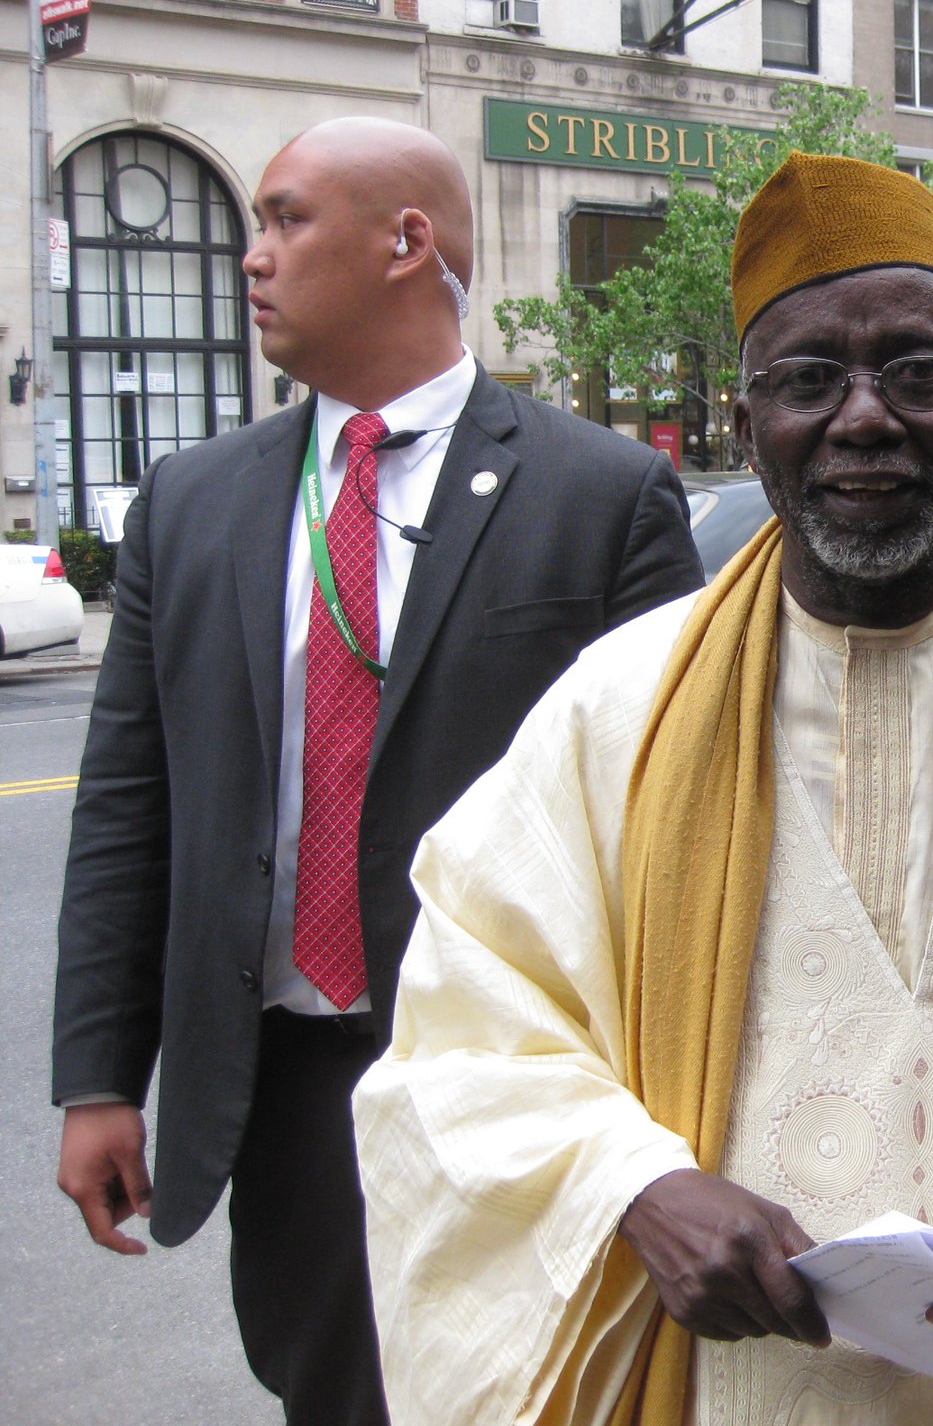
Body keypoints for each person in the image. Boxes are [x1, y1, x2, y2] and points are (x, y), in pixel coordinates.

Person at [352, 151, 933, 1426]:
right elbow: (462, 1031)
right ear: (747, 426)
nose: (864, 418)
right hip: (709, 1378)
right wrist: (631, 1185)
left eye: (916, 372)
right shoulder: (614, 706)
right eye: (807, 380)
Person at [49, 117, 702, 1426]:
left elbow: (674, 827)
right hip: (285, 1085)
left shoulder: (602, 497)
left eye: (287, 219)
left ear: (406, 242)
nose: (253, 254)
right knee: (332, 1393)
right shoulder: (192, 504)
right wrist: (100, 1077)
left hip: (522, 1080)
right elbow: (132, 807)